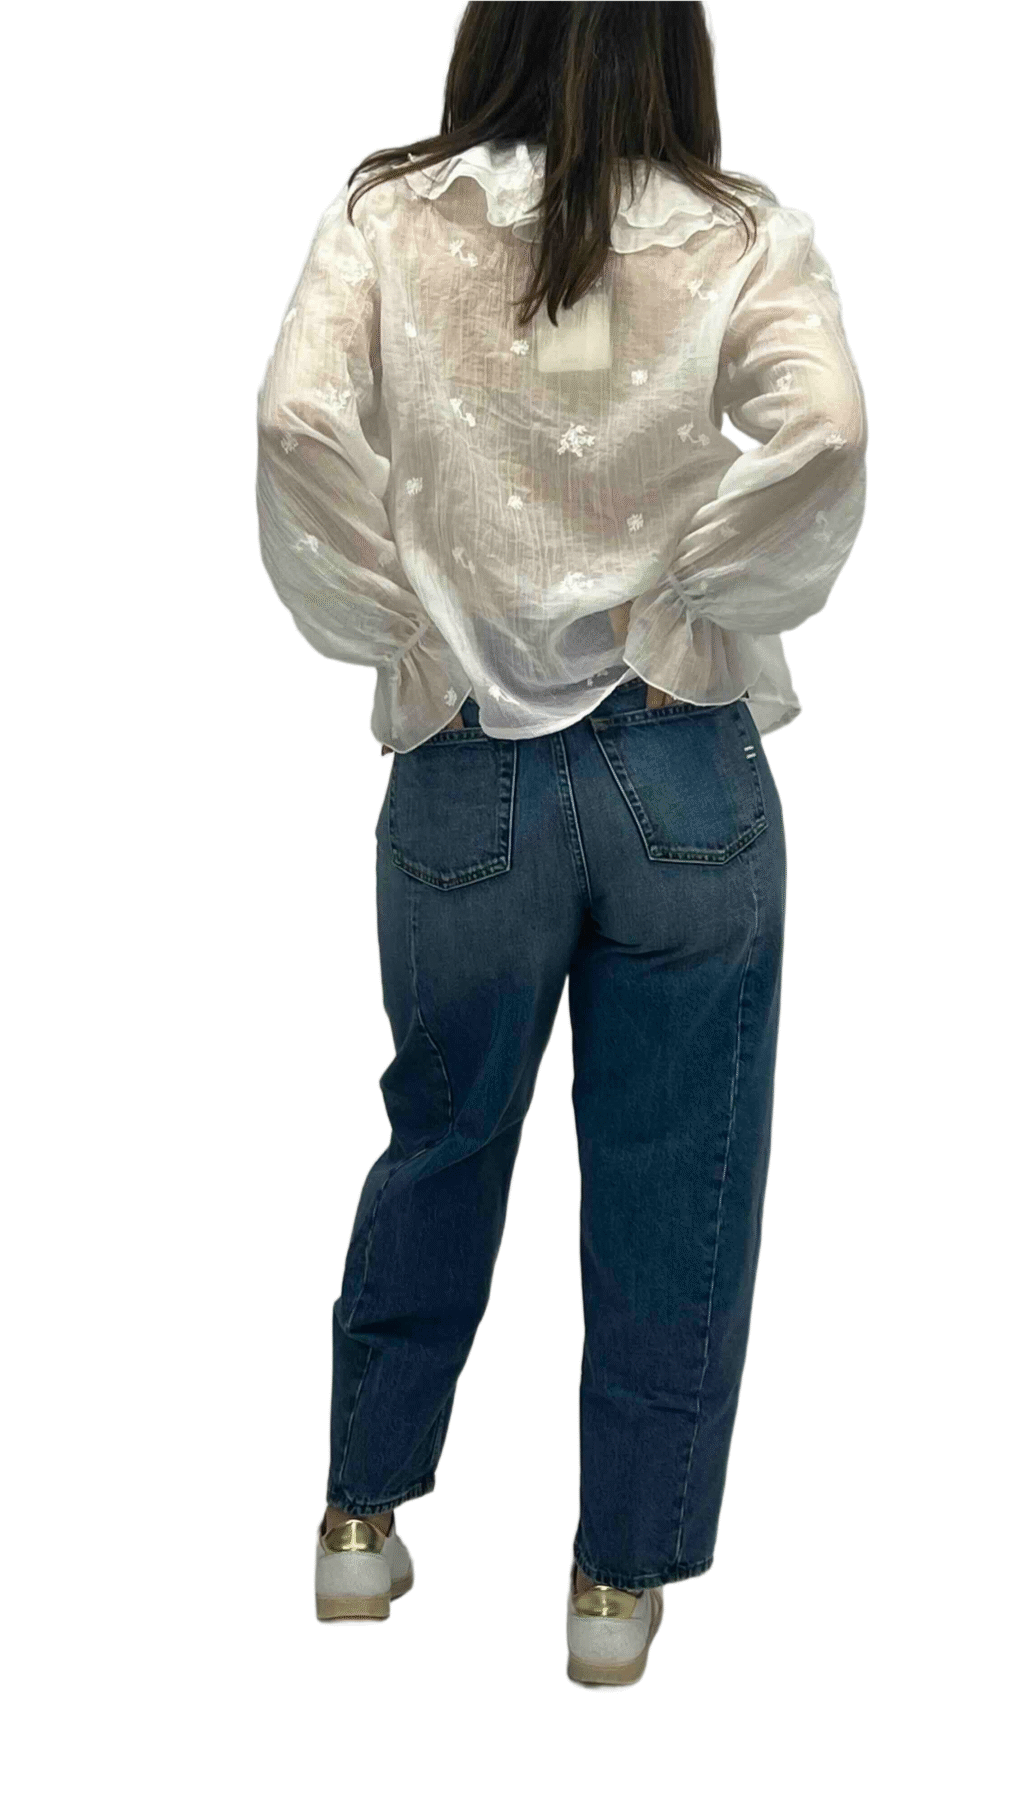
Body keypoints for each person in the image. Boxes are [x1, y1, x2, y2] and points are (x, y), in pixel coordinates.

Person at [255, 1, 867, 1687]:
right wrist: (683, 607)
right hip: (681, 777)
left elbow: (296, 420)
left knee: (441, 1136)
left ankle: (359, 1523)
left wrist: (410, 634)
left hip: (467, 778)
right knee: (677, 1173)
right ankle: (613, 1588)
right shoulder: (736, 236)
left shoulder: (391, 215)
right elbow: (825, 427)